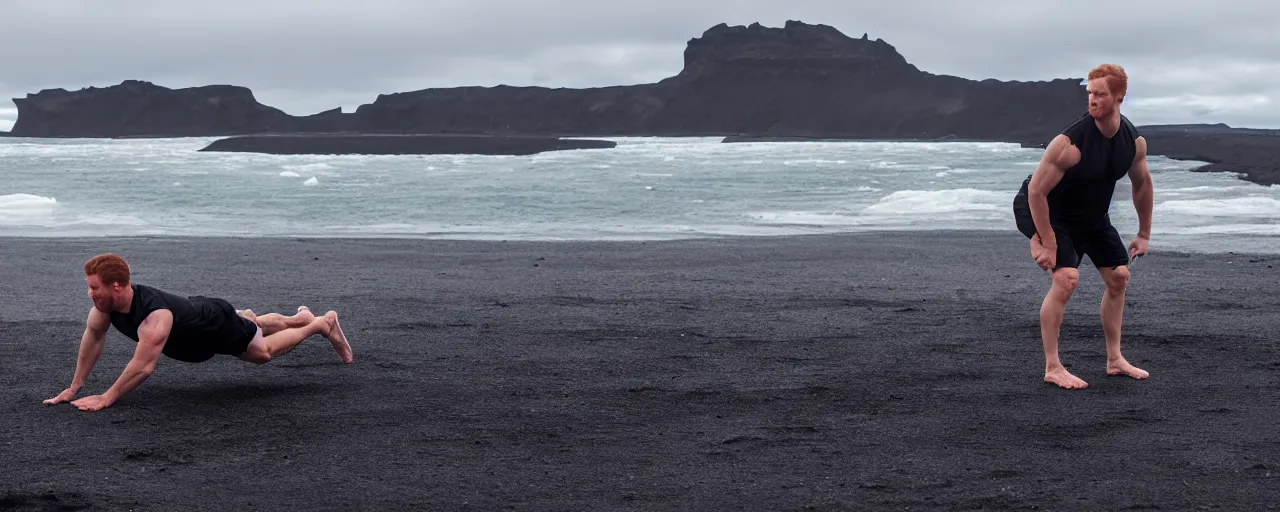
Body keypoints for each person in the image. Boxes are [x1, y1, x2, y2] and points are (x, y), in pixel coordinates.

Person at [42, 253, 353, 411]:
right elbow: (94, 339)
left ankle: (319, 324)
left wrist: (107, 398)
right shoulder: (104, 309)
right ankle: (293, 317)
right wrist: (74, 387)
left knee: (262, 353)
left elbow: (143, 366)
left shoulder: (154, 318)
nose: (89, 295)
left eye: (94, 288)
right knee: (252, 325)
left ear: (117, 286)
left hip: (213, 326)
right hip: (199, 313)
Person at [1011, 63, 1154, 390]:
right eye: (1090, 93)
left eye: (1100, 94)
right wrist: (1047, 241)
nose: (1092, 100)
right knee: (1066, 279)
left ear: (1120, 97)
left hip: (1092, 217)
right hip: (1049, 211)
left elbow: (1142, 184)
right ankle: (1053, 366)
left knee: (1119, 277)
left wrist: (1144, 232)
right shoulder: (1070, 144)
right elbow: (1035, 192)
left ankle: (1115, 359)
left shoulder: (1133, 143)